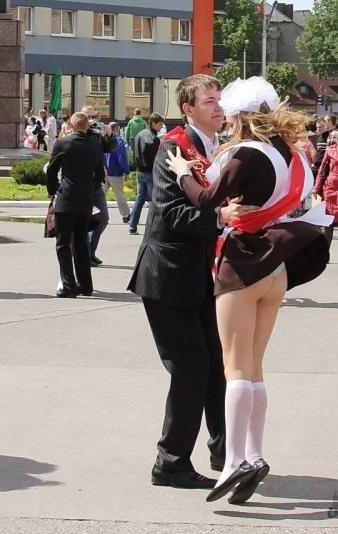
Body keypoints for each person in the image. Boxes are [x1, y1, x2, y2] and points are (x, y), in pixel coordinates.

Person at [166, 77, 331, 503]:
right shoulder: (291, 153)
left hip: (243, 262)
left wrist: (183, 174)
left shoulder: (244, 153)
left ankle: (235, 461)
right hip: (276, 266)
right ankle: (253, 454)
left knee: (235, 369)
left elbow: (206, 201)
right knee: (254, 368)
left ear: (240, 117)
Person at [129, 74, 241, 490]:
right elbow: (172, 214)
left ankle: (226, 453)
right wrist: (221, 219)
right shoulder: (174, 148)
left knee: (218, 365)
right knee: (191, 367)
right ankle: (170, 463)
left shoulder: (219, 148)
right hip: (169, 275)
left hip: (202, 277)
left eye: (219, 99)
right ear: (188, 108)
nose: (218, 106)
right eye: (209, 101)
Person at [46, 112, 105, 298]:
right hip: (85, 198)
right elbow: (100, 174)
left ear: (71, 126)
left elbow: (52, 170)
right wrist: (91, 188)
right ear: (87, 126)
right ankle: (86, 285)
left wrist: (52, 190)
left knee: (63, 243)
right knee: (81, 243)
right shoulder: (95, 145)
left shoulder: (62, 143)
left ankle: (68, 285)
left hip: (66, 197)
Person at [81, 105, 114, 266]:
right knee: (83, 221)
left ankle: (90, 251)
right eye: (87, 117)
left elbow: (110, 148)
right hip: (80, 185)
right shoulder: (74, 134)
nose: (91, 120)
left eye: (93, 117)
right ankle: (84, 254)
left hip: (96, 184)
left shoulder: (97, 134)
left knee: (103, 218)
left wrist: (110, 134)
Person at [128, 113, 164, 235]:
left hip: (140, 171)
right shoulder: (154, 139)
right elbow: (156, 158)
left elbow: (134, 152)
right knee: (154, 201)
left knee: (139, 199)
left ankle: (132, 226)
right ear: (154, 123)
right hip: (150, 172)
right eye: (160, 124)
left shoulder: (140, 134)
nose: (161, 127)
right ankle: (153, 229)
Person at [104, 122, 131, 224]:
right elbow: (121, 158)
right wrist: (126, 170)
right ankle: (125, 215)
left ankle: (99, 215)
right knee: (119, 194)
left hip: (104, 171)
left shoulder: (103, 140)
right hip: (116, 172)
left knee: (100, 195)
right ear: (117, 128)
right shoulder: (118, 141)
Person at [314, 130, 338, 242]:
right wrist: (316, 190)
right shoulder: (329, 150)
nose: (333, 139)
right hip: (331, 189)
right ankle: (324, 252)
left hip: (331, 186)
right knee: (329, 222)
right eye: (332, 137)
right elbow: (322, 171)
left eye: (335, 137)